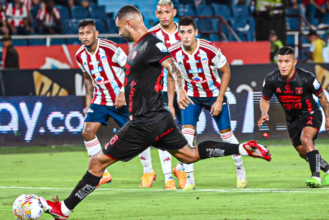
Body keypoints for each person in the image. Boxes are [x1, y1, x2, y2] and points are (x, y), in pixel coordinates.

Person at [38, 6, 271, 219]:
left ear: (129, 24)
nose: (119, 33)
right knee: (188, 155)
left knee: (96, 165)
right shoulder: (139, 48)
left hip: (144, 122)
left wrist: (180, 89)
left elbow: (173, 66)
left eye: (120, 28)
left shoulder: (151, 44)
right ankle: (243, 148)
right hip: (159, 119)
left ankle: (64, 210)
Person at [169, 16, 247, 190]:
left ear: (196, 33)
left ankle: (240, 170)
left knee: (227, 136)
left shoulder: (209, 49)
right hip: (191, 96)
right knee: (187, 137)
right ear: (178, 34)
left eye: (189, 32)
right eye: (182, 32)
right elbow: (170, 74)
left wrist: (220, 99)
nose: (186, 36)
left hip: (213, 95)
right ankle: (190, 179)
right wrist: (178, 93)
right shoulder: (173, 51)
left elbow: (226, 71)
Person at [259, 46, 329, 188]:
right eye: (280, 61)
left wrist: (328, 117)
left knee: (306, 138)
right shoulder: (271, 79)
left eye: (287, 61)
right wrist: (264, 113)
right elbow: (265, 99)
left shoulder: (306, 78)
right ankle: (327, 169)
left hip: (310, 113)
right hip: (292, 120)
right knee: (303, 152)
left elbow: (322, 98)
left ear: (294, 62)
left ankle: (316, 177)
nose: (283, 65)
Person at [75, 19, 128, 188]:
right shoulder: (79, 55)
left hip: (121, 99)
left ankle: (149, 171)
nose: (85, 36)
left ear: (96, 33)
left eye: (88, 33)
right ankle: (102, 173)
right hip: (101, 99)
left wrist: (122, 92)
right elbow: (88, 80)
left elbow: (130, 68)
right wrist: (89, 103)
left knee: (139, 134)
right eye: (82, 33)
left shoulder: (110, 48)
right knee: (87, 131)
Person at [137, 0, 183, 190]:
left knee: (190, 132)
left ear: (174, 12)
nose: (164, 16)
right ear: (156, 15)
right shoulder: (152, 35)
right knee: (155, 130)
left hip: (185, 88)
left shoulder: (185, 31)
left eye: (167, 12)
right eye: (160, 13)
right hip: (159, 90)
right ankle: (164, 176)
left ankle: (180, 168)